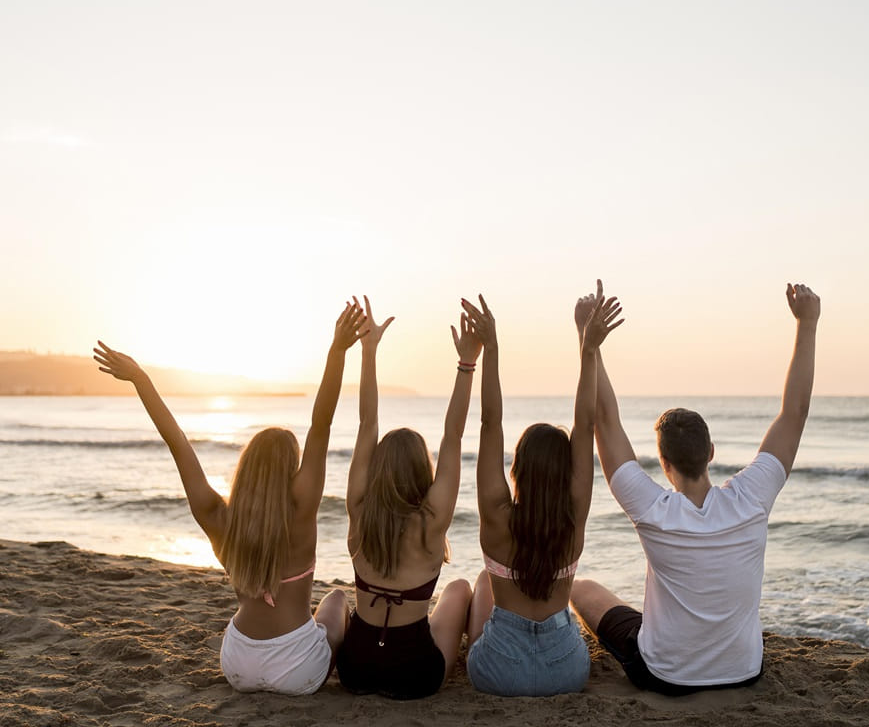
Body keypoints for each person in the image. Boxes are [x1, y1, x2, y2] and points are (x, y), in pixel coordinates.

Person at [92, 301, 368, 695]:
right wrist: (337, 351)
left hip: (236, 664)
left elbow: (177, 441)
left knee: (320, 614)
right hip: (297, 672)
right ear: (289, 470)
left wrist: (141, 380)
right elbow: (320, 423)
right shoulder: (301, 509)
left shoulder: (218, 518)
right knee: (337, 601)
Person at [571, 280, 821, 696]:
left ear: (663, 464)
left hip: (665, 676)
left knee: (582, 590)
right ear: (711, 452)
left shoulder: (651, 507)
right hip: (744, 671)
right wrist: (807, 324)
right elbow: (795, 413)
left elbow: (605, 421)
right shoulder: (752, 498)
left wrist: (587, 340)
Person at [464, 292, 624, 696]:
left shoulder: (497, 517)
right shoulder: (574, 513)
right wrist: (588, 350)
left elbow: (489, 423)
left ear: (517, 469)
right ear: (567, 472)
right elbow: (584, 425)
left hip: (498, 670)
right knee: (490, 582)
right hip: (566, 670)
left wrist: (492, 348)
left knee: (486, 581)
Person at [332, 296, 480, 699]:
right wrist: (467, 364)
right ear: (422, 472)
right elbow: (453, 436)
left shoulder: (358, 513)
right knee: (460, 590)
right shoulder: (431, 525)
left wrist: (368, 350)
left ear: (378, 468)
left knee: (339, 604)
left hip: (355, 669)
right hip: (416, 675)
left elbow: (367, 424)